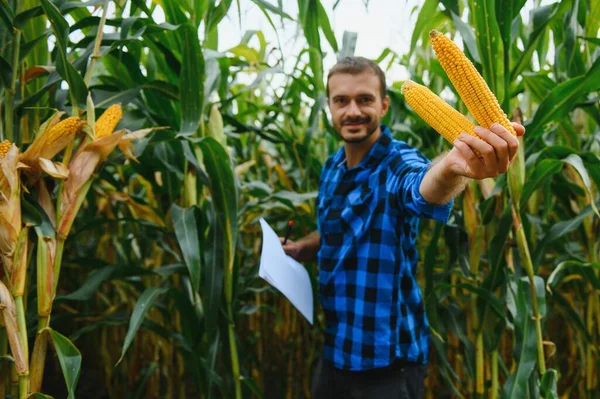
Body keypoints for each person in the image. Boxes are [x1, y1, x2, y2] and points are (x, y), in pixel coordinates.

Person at [280, 56, 524, 399]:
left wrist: (451, 168)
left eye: (364, 99)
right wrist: (303, 247)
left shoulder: (397, 161)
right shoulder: (332, 167)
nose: (352, 111)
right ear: (329, 107)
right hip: (336, 350)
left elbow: (421, 188)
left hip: (388, 363)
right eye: (341, 101)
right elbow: (336, 229)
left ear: (384, 104)